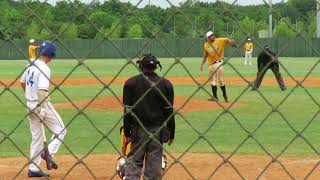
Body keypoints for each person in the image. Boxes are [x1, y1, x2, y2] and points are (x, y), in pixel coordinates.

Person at [123, 54, 175, 180]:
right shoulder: (166, 84)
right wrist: (171, 131)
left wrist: (127, 129)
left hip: (138, 130)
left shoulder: (131, 83)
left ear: (140, 66)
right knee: (154, 164)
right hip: (157, 131)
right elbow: (169, 112)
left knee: (134, 163)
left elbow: (127, 110)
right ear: (156, 66)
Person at [21, 41, 66, 177]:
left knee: (37, 138)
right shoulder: (45, 68)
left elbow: (22, 83)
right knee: (61, 129)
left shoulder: (30, 64)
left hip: (30, 104)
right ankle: (48, 153)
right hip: (41, 104)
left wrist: (31, 98)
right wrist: (40, 107)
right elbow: (41, 91)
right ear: (52, 55)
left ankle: (33, 169)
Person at [200, 31, 238, 102]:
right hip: (211, 65)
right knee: (212, 81)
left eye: (212, 35)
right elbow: (205, 56)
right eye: (210, 36)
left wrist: (233, 44)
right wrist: (202, 65)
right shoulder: (206, 45)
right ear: (207, 38)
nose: (212, 36)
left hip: (219, 63)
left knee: (221, 81)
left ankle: (225, 96)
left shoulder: (220, 40)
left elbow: (229, 41)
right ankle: (215, 97)